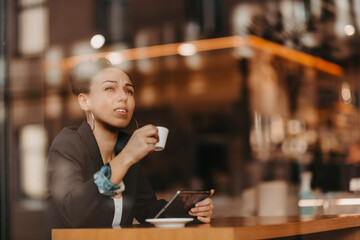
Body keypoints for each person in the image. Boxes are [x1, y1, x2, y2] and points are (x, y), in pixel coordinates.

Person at [46, 58, 214, 237]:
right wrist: (126, 157)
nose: (123, 97)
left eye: (129, 90)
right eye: (109, 88)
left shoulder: (124, 148)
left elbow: (148, 209)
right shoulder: (69, 144)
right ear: (84, 101)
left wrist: (191, 208)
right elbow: (74, 212)